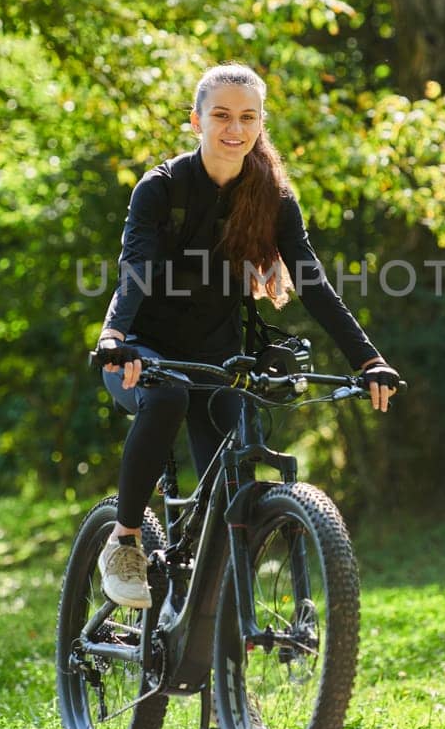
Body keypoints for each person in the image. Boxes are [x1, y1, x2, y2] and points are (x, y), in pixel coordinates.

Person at [92, 62, 399, 611]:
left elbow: (313, 284)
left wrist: (367, 360)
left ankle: (225, 654)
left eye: (248, 117)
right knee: (165, 398)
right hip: (142, 351)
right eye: (221, 115)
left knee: (237, 475)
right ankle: (125, 540)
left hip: (219, 356)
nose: (234, 128)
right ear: (196, 121)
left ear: (260, 125)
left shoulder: (273, 199)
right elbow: (134, 267)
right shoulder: (162, 188)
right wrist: (115, 335)